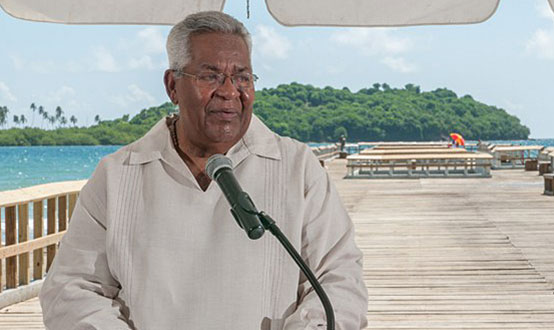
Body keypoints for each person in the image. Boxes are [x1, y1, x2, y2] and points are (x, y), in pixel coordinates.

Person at [39, 11, 368, 330]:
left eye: (242, 77)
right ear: (172, 86)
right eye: (210, 76)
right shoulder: (117, 175)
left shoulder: (298, 168)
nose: (229, 91)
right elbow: (72, 290)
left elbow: (338, 283)